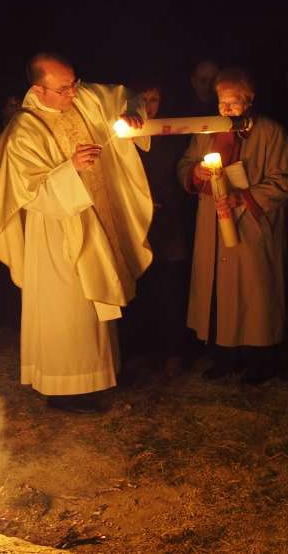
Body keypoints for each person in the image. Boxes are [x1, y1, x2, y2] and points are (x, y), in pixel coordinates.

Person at [0, 52, 152, 413]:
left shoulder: (84, 96)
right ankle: (64, 390)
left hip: (96, 217)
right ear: (38, 90)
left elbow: (126, 96)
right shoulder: (23, 130)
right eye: (62, 89)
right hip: (56, 229)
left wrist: (132, 114)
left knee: (93, 306)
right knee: (67, 309)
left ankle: (95, 380)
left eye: (74, 84)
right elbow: (27, 191)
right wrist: (69, 168)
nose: (72, 94)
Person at [177, 68, 288, 384]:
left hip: (252, 227)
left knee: (254, 293)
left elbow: (285, 179)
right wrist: (195, 174)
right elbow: (185, 165)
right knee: (218, 291)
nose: (226, 109)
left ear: (249, 100)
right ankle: (224, 357)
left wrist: (243, 200)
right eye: (222, 102)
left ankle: (259, 360)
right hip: (212, 225)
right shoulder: (206, 130)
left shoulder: (270, 133)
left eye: (233, 103)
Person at [122, 82, 196, 379]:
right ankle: (139, 351)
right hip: (137, 223)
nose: (150, 107)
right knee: (139, 289)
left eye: (155, 100)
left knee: (170, 289)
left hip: (169, 222)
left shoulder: (172, 134)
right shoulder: (125, 134)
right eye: (144, 100)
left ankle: (173, 353)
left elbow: (179, 171)